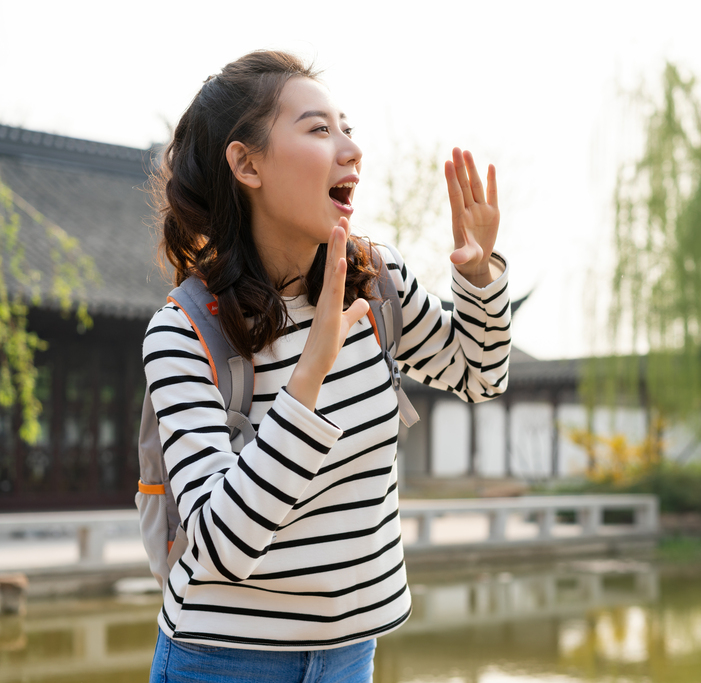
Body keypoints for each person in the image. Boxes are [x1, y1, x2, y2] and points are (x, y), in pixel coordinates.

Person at [143, 50, 510, 683]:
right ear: (246, 163)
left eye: (347, 127)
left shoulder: (376, 281)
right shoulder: (185, 329)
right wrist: (307, 379)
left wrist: (477, 274)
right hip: (222, 659)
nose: (351, 149)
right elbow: (218, 546)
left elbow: (480, 374)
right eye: (318, 129)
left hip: (351, 655)